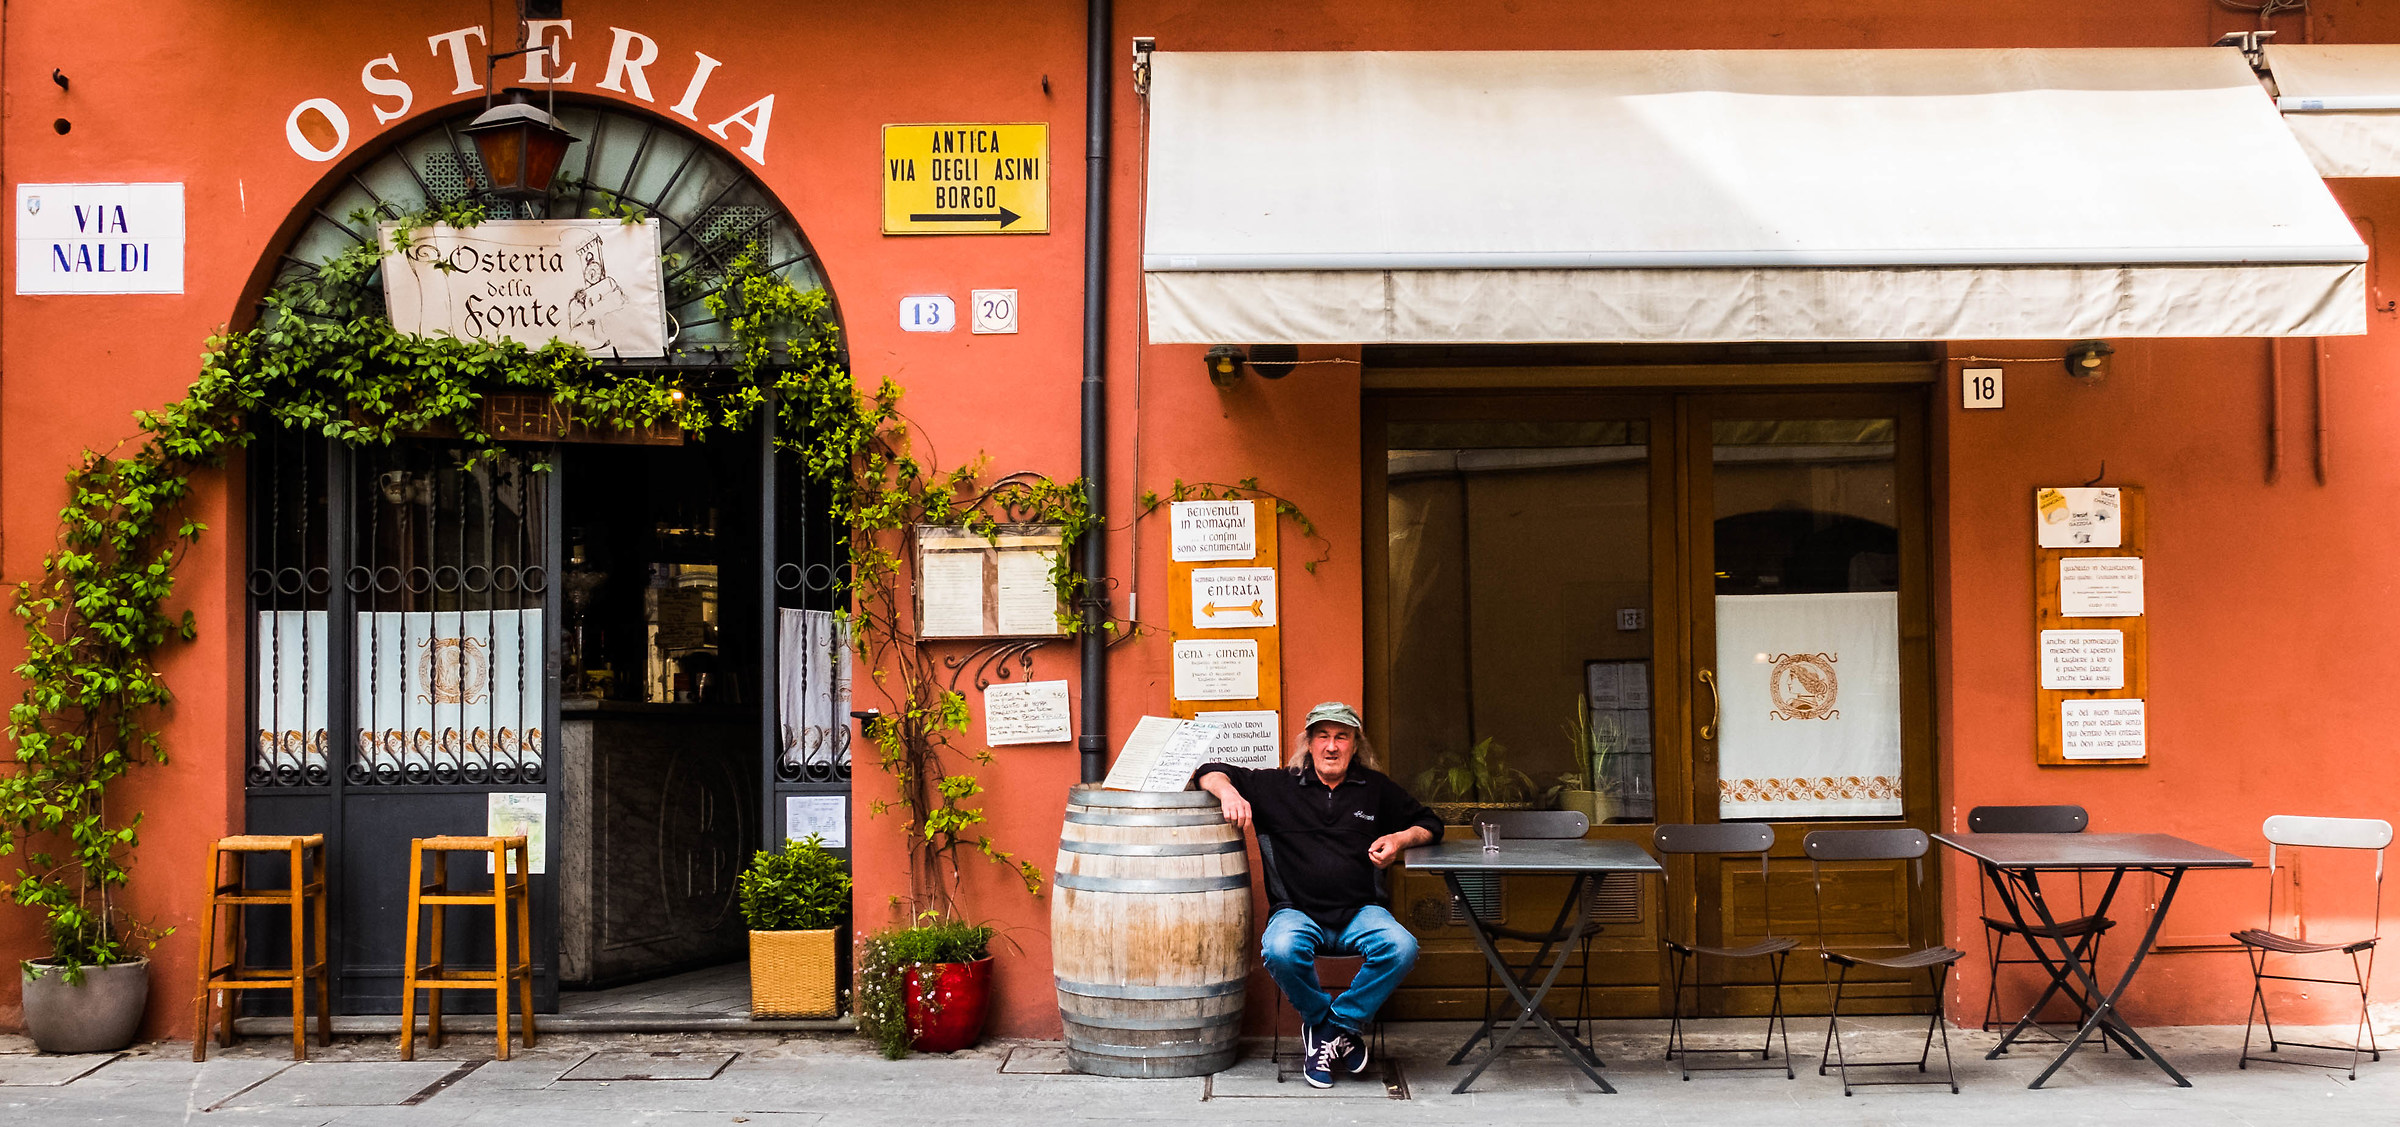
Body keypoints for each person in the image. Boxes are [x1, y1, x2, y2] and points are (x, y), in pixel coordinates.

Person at [1192, 702, 1441, 1088]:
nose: (1331, 746)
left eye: (1341, 737)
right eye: (1322, 736)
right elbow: (1207, 771)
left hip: (1361, 911)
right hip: (1297, 913)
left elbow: (1430, 824)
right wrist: (1229, 794)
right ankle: (1333, 1027)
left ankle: (1331, 1028)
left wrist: (1399, 838)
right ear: (1308, 743)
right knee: (1279, 949)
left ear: (1355, 745)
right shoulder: (1277, 786)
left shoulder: (1375, 790)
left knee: (1402, 946)